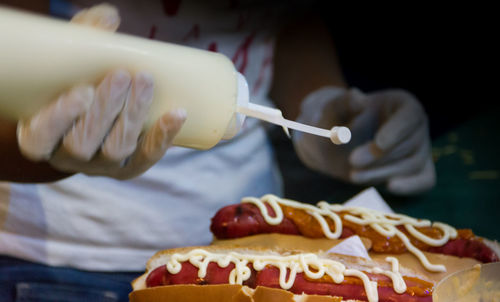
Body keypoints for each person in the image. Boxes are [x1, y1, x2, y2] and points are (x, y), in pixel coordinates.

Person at [0, 1, 435, 301]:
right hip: (67, 259)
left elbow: (284, 19)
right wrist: (45, 150)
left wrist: (322, 103)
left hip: (260, 249)